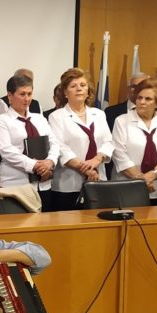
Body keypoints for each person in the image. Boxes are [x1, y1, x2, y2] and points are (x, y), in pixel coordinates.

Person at [48, 68, 113, 211]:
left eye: (83, 85)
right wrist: (88, 170)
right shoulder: (57, 116)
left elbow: (108, 142)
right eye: (73, 86)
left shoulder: (99, 114)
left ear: (88, 91)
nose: (79, 89)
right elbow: (61, 148)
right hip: (69, 184)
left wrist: (96, 160)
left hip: (98, 180)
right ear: (65, 93)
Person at [0, 74, 59, 210]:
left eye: (29, 94)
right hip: (16, 183)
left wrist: (50, 162)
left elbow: (54, 143)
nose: (27, 98)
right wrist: (35, 165)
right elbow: (6, 151)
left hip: (43, 183)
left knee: (45, 220)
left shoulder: (39, 118)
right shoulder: (3, 120)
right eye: (22, 94)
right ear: (10, 96)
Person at [111, 79, 157, 205]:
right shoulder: (121, 121)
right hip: (127, 186)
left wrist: (153, 175)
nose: (142, 102)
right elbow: (119, 154)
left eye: (148, 99)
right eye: (139, 98)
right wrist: (141, 180)